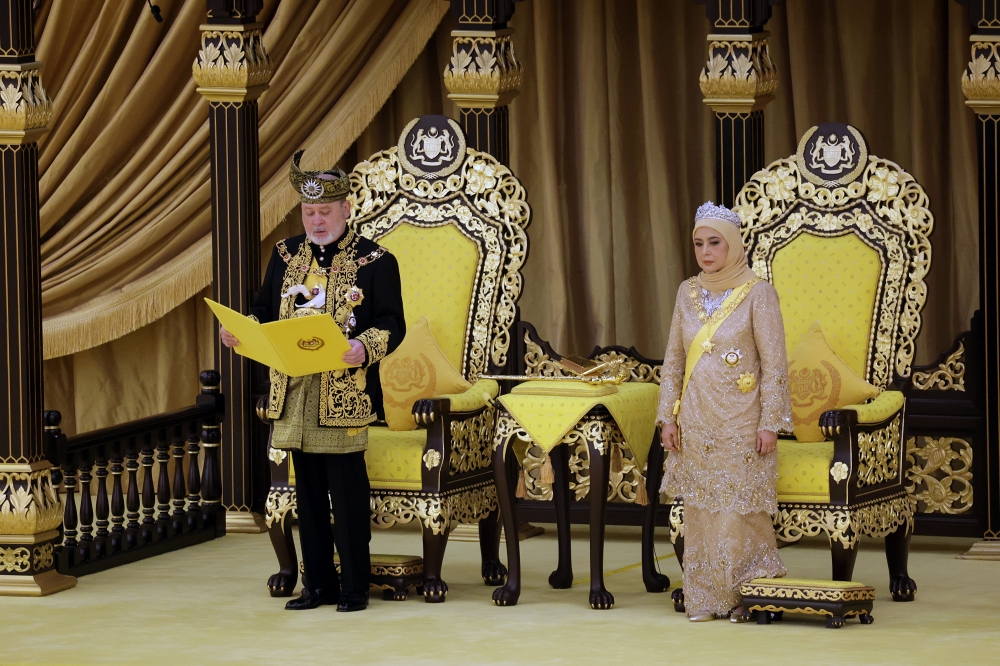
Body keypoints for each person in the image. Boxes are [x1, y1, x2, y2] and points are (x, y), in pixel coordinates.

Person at [220, 151, 405, 612]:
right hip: (295, 391)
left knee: (346, 495)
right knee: (307, 497)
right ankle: (316, 585)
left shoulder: (376, 260)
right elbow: (264, 308)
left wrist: (365, 347)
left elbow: (391, 323)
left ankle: (355, 587)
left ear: (346, 209)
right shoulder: (284, 255)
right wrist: (243, 326)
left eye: (325, 212)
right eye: (309, 212)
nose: (317, 220)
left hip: (344, 394)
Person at [656, 201, 791, 622]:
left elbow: (775, 365)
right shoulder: (687, 291)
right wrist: (667, 418)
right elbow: (674, 359)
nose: (705, 252)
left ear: (733, 244)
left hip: (742, 420)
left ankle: (748, 596)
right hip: (696, 420)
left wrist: (771, 423)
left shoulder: (758, 293)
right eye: (698, 243)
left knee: (738, 514)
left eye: (715, 242)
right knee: (700, 514)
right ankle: (707, 598)